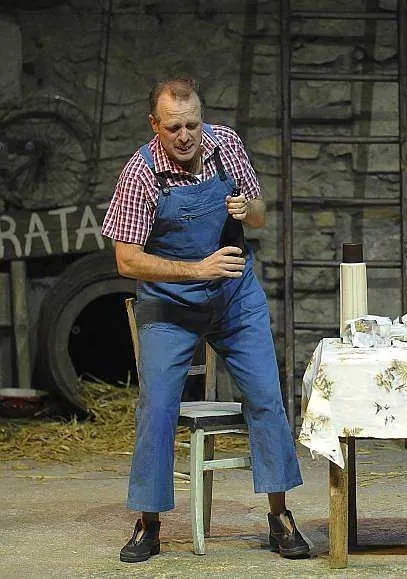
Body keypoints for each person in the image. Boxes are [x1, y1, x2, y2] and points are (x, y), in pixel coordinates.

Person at [102, 77, 309, 563]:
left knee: (266, 397)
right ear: (155, 125)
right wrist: (197, 269)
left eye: (192, 125)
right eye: (173, 127)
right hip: (170, 306)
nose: (185, 136)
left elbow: (260, 215)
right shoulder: (141, 174)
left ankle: (279, 515)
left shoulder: (226, 146)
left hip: (234, 297)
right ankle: (148, 523)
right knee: (157, 408)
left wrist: (247, 208)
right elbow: (126, 260)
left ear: (202, 119)